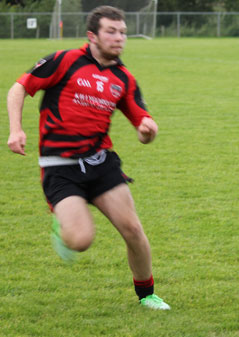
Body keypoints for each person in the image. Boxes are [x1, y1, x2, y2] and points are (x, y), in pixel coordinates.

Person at [7, 6, 170, 310]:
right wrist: (16, 130)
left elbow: (142, 125)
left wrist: (148, 130)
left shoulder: (123, 78)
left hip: (100, 163)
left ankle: (147, 294)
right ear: (92, 35)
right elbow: (19, 89)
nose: (119, 38)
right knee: (80, 240)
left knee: (133, 230)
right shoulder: (64, 60)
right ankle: (64, 222)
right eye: (111, 31)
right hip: (60, 167)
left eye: (122, 32)